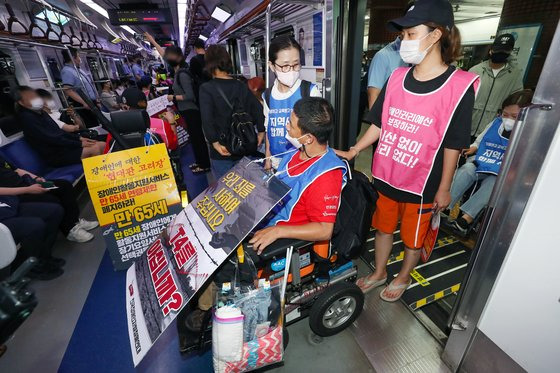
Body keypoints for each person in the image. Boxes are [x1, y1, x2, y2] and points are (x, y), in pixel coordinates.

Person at [336, 0, 478, 302]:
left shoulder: (459, 86)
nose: (404, 41)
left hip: (423, 182)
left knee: (414, 240)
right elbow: (379, 122)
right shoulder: (397, 78)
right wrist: (355, 149)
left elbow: (454, 143)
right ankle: (379, 272)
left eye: (411, 33)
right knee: (383, 229)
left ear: (436, 35)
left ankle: (402, 277)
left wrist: (444, 188)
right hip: (387, 173)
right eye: (404, 35)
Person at [185, 97, 347, 331]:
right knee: (212, 226)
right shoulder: (296, 154)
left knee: (226, 256)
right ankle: (203, 294)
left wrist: (278, 230)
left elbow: (324, 229)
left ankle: (216, 310)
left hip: (286, 233)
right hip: (267, 217)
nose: (286, 128)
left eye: (291, 125)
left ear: (309, 137)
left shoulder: (326, 176)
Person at [446, 89, 533, 234]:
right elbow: (481, 140)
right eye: (505, 114)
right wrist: (473, 147)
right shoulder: (496, 123)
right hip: (483, 161)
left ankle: (465, 220)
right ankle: (444, 208)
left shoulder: (531, 132)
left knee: (494, 183)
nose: (508, 119)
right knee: (466, 170)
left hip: (503, 172)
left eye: (514, 116)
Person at [199, 45, 265, 179]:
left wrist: (215, 143)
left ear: (209, 63)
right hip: (244, 145)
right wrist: (261, 132)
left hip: (222, 149)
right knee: (245, 187)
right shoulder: (241, 85)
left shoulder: (206, 88)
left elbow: (207, 119)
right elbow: (258, 109)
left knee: (225, 192)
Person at [0, 154, 98, 242]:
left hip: (27, 184)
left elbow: (17, 170)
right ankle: (70, 230)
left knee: (64, 186)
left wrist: (36, 178)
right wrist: (28, 189)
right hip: (13, 196)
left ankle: (74, 221)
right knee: (51, 199)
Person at [263, 35, 321, 170]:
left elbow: (319, 136)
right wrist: (267, 159)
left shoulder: (309, 92)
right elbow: (268, 130)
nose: (291, 71)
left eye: (296, 65)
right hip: (276, 163)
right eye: (285, 66)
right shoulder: (267, 95)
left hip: (302, 164)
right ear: (271, 66)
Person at [15, 86, 105, 167]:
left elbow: (59, 132)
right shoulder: (27, 118)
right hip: (55, 155)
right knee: (95, 148)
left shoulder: (42, 113)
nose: (36, 99)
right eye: (31, 97)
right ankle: (100, 180)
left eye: (35, 96)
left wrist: (79, 138)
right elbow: (51, 138)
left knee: (102, 145)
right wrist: (78, 144)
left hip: (63, 148)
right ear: (21, 103)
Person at [164, 45, 211, 174]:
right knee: (195, 139)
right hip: (188, 111)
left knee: (198, 139)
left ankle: (204, 164)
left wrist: (173, 96)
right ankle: (200, 162)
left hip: (192, 111)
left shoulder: (182, 75)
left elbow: (189, 96)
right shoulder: (179, 72)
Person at [469, 33, 524, 137]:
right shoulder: (476, 70)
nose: (500, 53)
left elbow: (516, 102)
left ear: (510, 52)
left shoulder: (514, 75)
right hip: (468, 125)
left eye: (505, 50)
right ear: (491, 50)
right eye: (498, 50)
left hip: (493, 128)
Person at [0, 193, 65, 280]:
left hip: (6, 206)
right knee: (34, 226)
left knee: (55, 211)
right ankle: (32, 266)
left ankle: (43, 256)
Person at [367, 3, 414, 109]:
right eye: (408, 33)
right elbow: (373, 95)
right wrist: (378, 124)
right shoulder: (384, 56)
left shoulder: (420, 58)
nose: (407, 38)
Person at [60, 47, 99, 128]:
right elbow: (68, 90)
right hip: (82, 104)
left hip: (90, 102)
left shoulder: (78, 70)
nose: (80, 59)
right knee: (92, 126)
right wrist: (84, 102)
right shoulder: (67, 71)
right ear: (73, 58)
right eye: (78, 56)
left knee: (98, 124)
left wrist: (96, 99)